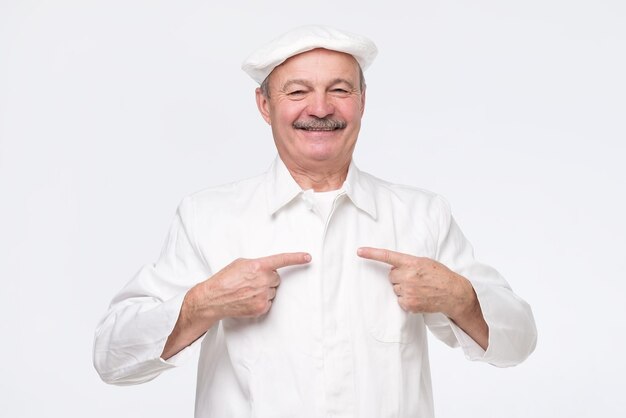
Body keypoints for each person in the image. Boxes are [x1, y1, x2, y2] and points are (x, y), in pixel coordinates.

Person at [93, 25, 537, 418]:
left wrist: (461, 297)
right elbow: (112, 358)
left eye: (340, 90)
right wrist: (203, 303)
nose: (320, 108)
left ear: (363, 102)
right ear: (264, 105)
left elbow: (518, 343)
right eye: (297, 91)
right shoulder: (208, 216)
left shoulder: (422, 214)